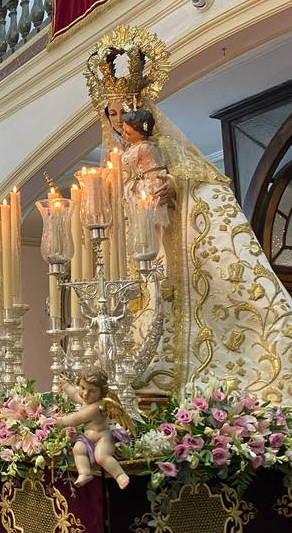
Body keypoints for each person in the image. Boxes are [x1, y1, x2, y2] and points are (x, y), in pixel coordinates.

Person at [87, 26, 292, 403]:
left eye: (122, 112)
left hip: (165, 231)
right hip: (138, 238)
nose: (117, 122)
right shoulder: (118, 157)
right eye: (111, 113)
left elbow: (184, 176)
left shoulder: (158, 147)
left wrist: (162, 188)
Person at [56, 367, 134, 489]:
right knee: (78, 449)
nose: (85, 393)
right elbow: (74, 394)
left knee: (101, 456)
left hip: (102, 438)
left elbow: (76, 418)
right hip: (87, 439)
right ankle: (85, 473)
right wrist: (66, 386)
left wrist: (60, 422)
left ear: (101, 392)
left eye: (91, 391)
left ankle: (119, 475)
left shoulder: (96, 407)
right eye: (82, 387)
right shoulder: (86, 400)